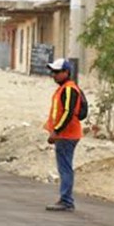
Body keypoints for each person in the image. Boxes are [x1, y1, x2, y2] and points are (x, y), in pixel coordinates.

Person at [44, 58, 85, 212]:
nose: (53, 75)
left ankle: (66, 200)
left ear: (66, 72)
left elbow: (68, 112)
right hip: (65, 134)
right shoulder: (64, 89)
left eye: (56, 72)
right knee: (64, 167)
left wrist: (56, 131)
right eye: (52, 72)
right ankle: (65, 199)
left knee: (65, 168)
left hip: (67, 135)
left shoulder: (69, 89)